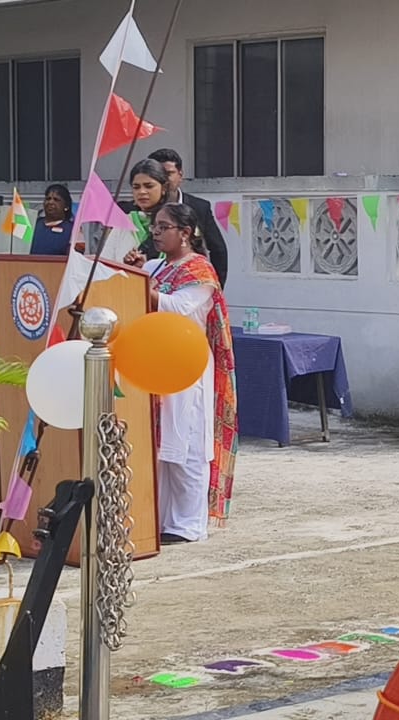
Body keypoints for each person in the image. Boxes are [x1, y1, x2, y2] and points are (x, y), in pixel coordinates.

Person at [123, 204, 238, 543]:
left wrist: (141, 287)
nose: (155, 232)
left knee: (186, 443)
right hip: (156, 364)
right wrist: (134, 272)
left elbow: (180, 308)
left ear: (185, 233)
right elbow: (140, 291)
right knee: (160, 445)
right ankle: (158, 520)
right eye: (154, 226)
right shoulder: (157, 266)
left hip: (187, 365)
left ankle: (188, 524)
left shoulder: (200, 270)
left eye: (164, 227)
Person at [149, 148, 230, 287]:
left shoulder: (199, 207)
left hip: (189, 285)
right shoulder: (135, 210)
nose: (163, 180)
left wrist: (214, 287)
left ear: (180, 175)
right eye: (157, 175)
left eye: (168, 173)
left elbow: (218, 250)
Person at [119, 159, 170, 259]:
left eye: (149, 186)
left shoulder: (178, 223)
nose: (142, 191)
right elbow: (105, 263)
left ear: (164, 188)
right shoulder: (125, 222)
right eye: (136, 187)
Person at [29, 184, 76, 256]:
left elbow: (76, 256)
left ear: (66, 206)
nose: (50, 202)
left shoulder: (74, 229)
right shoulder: (32, 224)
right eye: (48, 199)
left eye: (56, 200)